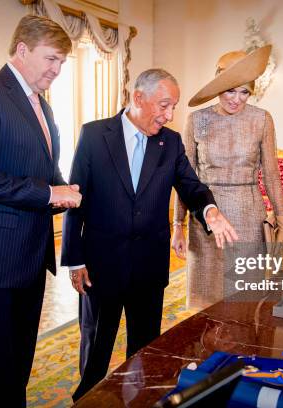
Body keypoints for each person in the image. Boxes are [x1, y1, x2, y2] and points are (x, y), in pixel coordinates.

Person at [61, 68, 239, 401]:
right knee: (96, 345)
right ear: (138, 98)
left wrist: (210, 211)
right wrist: (74, 259)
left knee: (145, 349)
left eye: (174, 107)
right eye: (164, 105)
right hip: (102, 265)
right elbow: (75, 199)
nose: (170, 115)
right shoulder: (94, 135)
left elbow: (191, 186)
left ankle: (140, 399)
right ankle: (87, 399)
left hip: (148, 266)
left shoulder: (170, 142)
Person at [0, 15, 82, 406]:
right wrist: (48, 193)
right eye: (51, 59)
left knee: (19, 366)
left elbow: (47, 175)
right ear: (22, 50)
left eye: (61, 63)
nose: (57, 70)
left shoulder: (44, 107)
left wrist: (72, 191)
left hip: (29, 254)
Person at [171, 46, 283, 309]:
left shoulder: (262, 119)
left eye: (245, 91)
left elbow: (271, 174)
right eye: (230, 90)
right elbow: (184, 177)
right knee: (206, 300)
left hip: (249, 216)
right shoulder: (197, 120)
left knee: (243, 300)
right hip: (205, 219)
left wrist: (282, 221)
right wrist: (178, 224)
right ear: (216, 86)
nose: (237, 99)